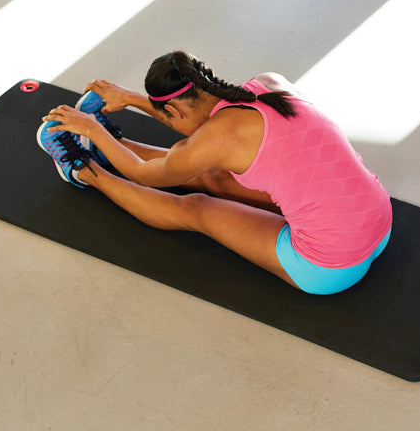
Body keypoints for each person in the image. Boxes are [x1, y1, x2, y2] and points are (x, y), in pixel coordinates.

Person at [37, 50, 392, 294]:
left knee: (196, 208)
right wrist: (131, 98)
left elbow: (146, 173)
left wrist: (92, 127)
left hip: (330, 266)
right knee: (218, 177)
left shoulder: (217, 138)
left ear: (173, 108)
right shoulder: (267, 84)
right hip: (379, 222)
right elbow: (201, 122)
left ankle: (81, 168)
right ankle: (109, 148)